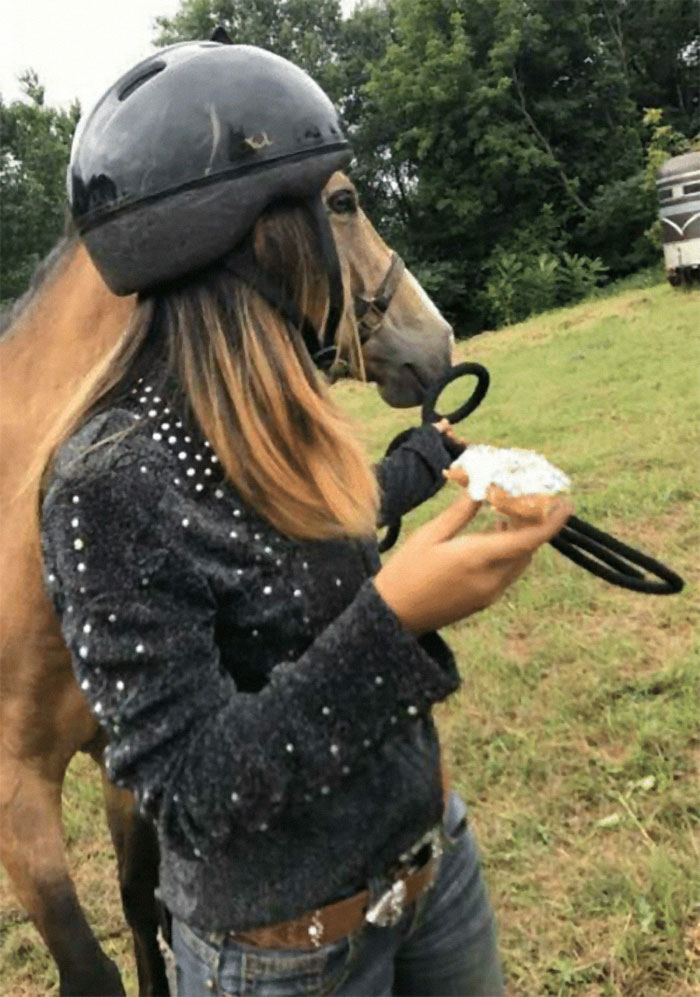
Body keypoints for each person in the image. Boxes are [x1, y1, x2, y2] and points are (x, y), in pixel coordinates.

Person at [39, 41, 572, 997]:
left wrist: (419, 465)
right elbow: (190, 794)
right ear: (256, 234)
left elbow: (290, 553)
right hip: (286, 951)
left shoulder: (281, 412)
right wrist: (396, 616)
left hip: (431, 861)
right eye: (336, 205)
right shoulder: (106, 482)